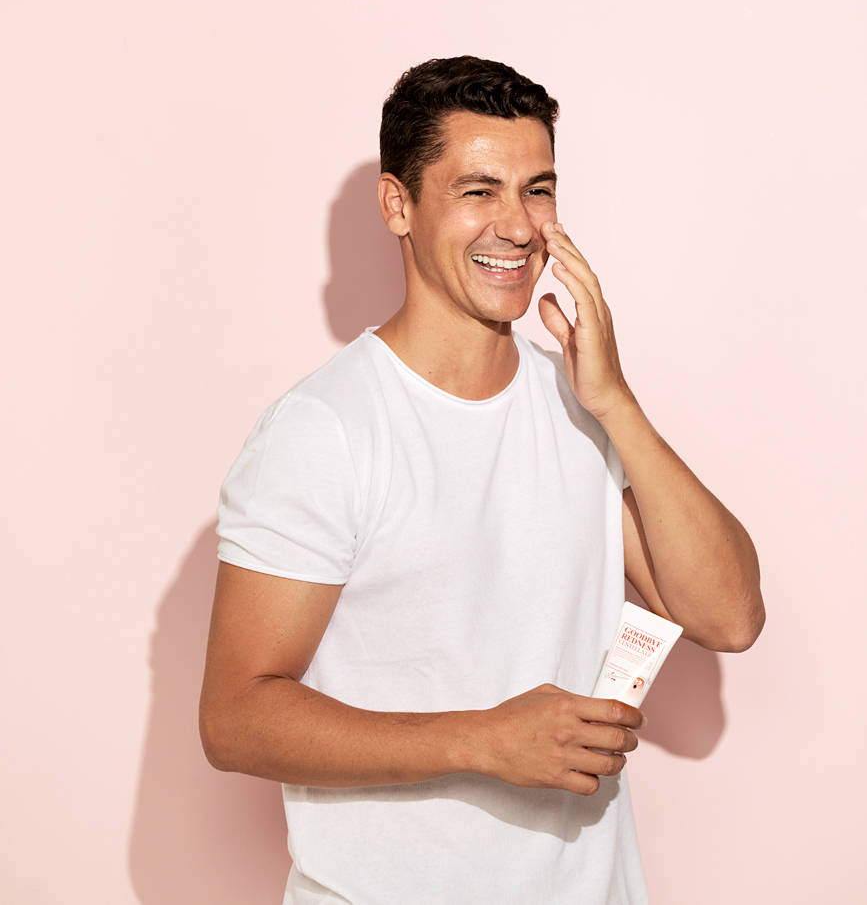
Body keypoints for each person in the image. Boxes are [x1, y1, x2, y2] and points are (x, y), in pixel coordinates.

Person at [200, 55, 764, 905]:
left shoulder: (579, 405)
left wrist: (614, 402)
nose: (518, 226)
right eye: (477, 191)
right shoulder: (325, 431)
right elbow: (234, 719)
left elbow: (729, 617)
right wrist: (481, 741)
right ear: (398, 205)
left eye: (537, 190)